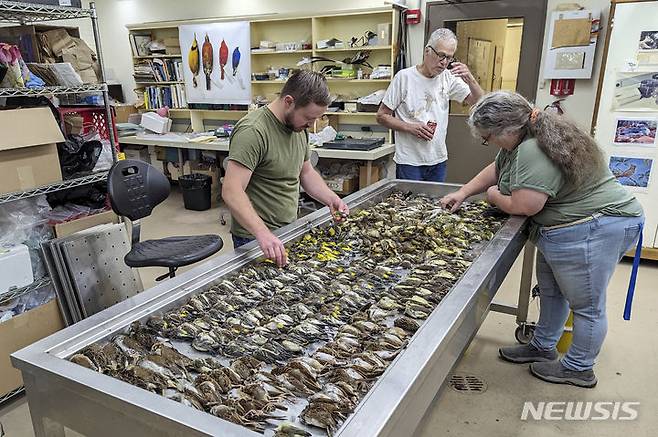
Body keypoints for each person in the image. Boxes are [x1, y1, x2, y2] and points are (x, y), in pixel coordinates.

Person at [440, 91, 644, 388]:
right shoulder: (526, 137)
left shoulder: (533, 148)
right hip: (564, 229)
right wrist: (463, 192)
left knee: (586, 305)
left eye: (488, 138)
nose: (490, 143)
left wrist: (494, 196)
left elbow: (525, 205)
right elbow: (497, 169)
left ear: (507, 130)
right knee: (552, 291)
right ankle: (543, 345)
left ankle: (579, 368)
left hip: (593, 227)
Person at [222, 71, 349, 267]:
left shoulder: (298, 128)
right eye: (308, 117)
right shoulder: (253, 131)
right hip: (256, 238)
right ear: (289, 101)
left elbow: (305, 172)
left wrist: (331, 199)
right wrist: (263, 234)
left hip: (289, 229)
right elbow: (231, 191)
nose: (311, 124)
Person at [376, 28, 483, 182]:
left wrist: (470, 79)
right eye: (441, 55)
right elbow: (381, 116)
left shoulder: (448, 78)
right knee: (409, 205)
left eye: (449, 58)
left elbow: (479, 102)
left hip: (438, 160)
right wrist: (410, 127)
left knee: (434, 205)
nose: (444, 62)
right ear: (427, 51)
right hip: (409, 161)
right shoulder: (404, 78)